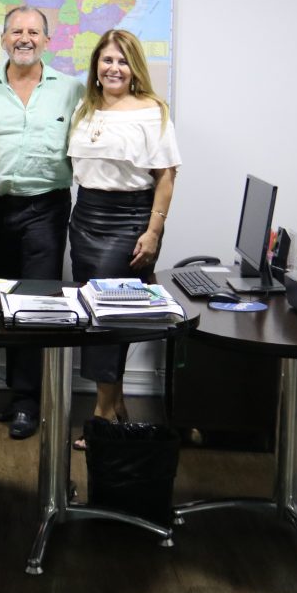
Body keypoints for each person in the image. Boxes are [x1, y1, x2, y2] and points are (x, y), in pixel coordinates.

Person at [0, 6, 84, 441]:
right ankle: (18, 391)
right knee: (3, 301)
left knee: (36, 303)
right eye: (16, 31)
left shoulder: (70, 89)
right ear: (3, 39)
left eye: (33, 32)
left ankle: (28, 401)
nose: (24, 38)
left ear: (47, 41)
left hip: (46, 207)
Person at [67, 29, 180, 437]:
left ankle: (101, 416)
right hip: (85, 218)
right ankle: (115, 404)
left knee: (110, 317)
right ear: (96, 65)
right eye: (107, 60)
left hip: (128, 220)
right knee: (93, 312)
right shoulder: (85, 108)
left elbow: (166, 177)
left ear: (134, 68)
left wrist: (153, 232)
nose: (114, 68)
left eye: (122, 61)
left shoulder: (152, 111)